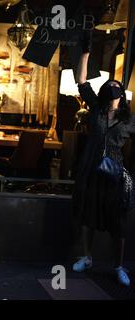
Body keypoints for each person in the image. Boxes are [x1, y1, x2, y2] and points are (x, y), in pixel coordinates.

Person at [72, 31, 135, 286]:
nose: (113, 96)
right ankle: (87, 257)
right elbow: (81, 82)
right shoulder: (96, 110)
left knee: (116, 222)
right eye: (109, 94)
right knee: (88, 216)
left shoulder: (129, 120)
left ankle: (119, 266)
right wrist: (86, 54)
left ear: (122, 96)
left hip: (115, 174)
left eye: (116, 93)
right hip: (91, 170)